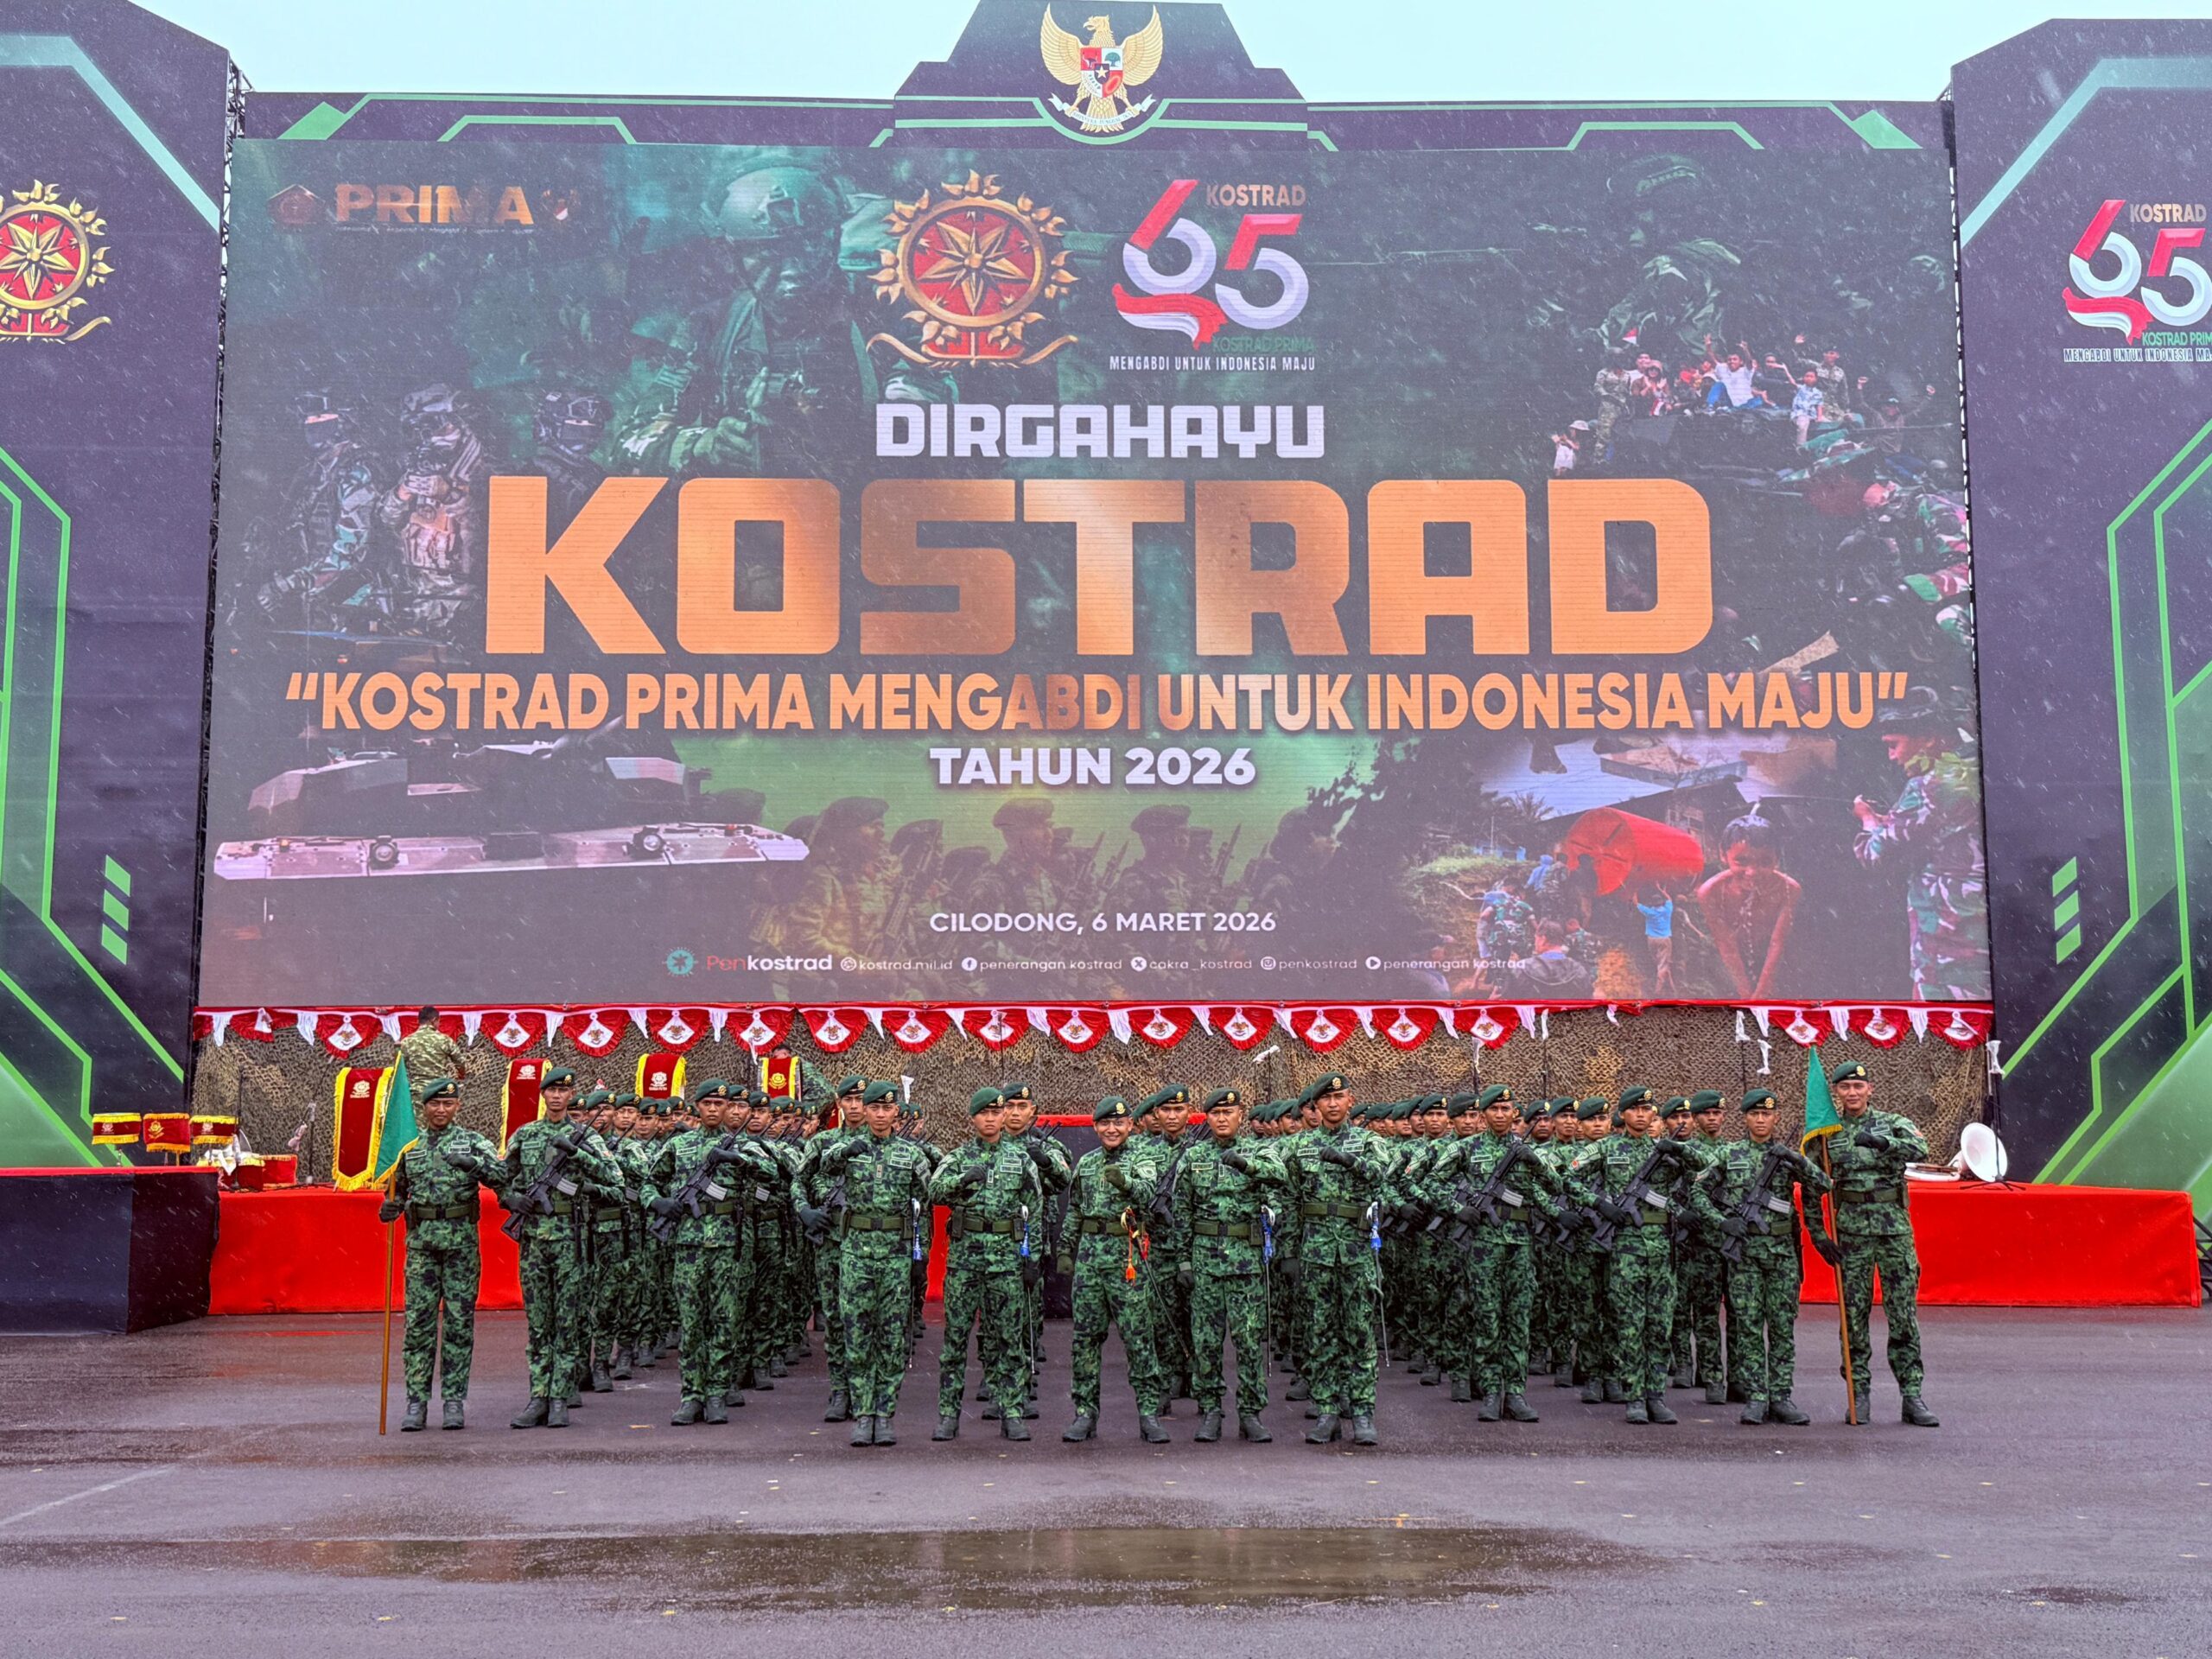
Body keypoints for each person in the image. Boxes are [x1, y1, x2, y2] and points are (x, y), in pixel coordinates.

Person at [1428, 1084, 1564, 1422]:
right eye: (1494, 1110)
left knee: (1518, 1320)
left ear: (1514, 1113)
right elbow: (1431, 1182)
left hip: (1520, 1245)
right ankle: (1491, 1392)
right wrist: (1458, 1209)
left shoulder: (1526, 1150)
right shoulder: (1466, 1148)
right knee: (1487, 1318)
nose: (1500, 1115)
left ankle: (1515, 1393)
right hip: (1484, 1246)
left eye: (1506, 1109)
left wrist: (1534, 1162)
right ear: (1484, 1114)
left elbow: (1555, 1187)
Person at [377, 1077, 505, 1431]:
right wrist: (389, 1207)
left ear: (458, 1106)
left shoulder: (473, 1142)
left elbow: (502, 1176)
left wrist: (473, 1165)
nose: (441, 1110)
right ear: (424, 1107)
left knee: (459, 1324)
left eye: (448, 1103)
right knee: (418, 1325)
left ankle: (453, 1400)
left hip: (461, 1246)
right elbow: (397, 1189)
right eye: (435, 1103)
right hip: (422, 1248)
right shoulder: (409, 1146)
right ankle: (416, 1402)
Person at [1815, 1061, 1939, 1427]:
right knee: (1853, 1317)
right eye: (1845, 1087)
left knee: (1903, 1315)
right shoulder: (1827, 1134)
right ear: (1837, 1093)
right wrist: (1817, 1233)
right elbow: (1810, 1182)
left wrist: (1885, 1144)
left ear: (1870, 1089)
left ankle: (1912, 1395)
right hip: (1851, 1235)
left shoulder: (1893, 1123)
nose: (1852, 1093)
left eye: (1858, 1086)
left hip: (1893, 1232)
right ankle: (1859, 1393)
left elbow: (1920, 1148)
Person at [501, 1068, 622, 1427]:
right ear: (543, 1095)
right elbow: (502, 1176)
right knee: (539, 1323)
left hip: (571, 1239)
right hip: (534, 1241)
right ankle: (538, 1396)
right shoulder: (526, 1135)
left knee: (568, 1322)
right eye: (551, 1091)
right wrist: (510, 1199)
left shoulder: (585, 1136)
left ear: (571, 1097)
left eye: (563, 1092)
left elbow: (614, 1180)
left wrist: (578, 1155)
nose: (556, 1097)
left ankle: (560, 1397)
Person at [817, 1081, 936, 1446]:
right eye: (874, 1108)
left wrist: (920, 1255)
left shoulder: (911, 1155)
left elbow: (925, 1205)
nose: (881, 1114)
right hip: (856, 1252)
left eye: (887, 1108)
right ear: (865, 1111)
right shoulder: (846, 1150)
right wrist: (845, 1151)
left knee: (891, 1335)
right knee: (857, 1332)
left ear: (896, 1112)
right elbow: (820, 1171)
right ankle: (863, 1412)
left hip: (896, 1254)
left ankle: (884, 1414)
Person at [651, 1081, 776, 1425]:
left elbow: (772, 1173)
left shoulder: (744, 1144)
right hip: (689, 1246)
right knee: (691, 1324)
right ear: (697, 1106)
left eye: (719, 1104)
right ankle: (692, 1396)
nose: (713, 1109)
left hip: (727, 1246)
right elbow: (650, 1181)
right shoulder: (679, 1145)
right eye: (707, 1103)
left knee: (725, 1321)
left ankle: (718, 1392)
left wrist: (737, 1159)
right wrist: (658, 1202)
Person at [929, 1088, 1046, 1440]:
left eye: (997, 1113)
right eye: (985, 1113)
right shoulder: (958, 1157)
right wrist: (962, 1181)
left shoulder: (1020, 1159)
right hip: (965, 1262)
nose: (991, 1119)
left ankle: (1012, 1411)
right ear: (973, 1119)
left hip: (1006, 1261)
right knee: (955, 1339)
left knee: (1009, 1339)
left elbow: (1034, 1209)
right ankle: (948, 1414)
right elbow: (934, 1192)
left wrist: (1032, 1258)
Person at [1175, 1086, 1288, 1443]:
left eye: (1229, 1112)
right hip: (1206, 1261)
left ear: (1241, 1114)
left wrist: (1246, 1165)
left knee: (1249, 1340)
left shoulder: (1258, 1150)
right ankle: (1210, 1410)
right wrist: (1183, 1261)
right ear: (1206, 1117)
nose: (1222, 1119)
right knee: (1206, 1341)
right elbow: (1181, 1212)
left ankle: (1250, 1413)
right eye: (1216, 1113)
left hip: (1246, 1262)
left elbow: (1279, 1176)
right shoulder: (1193, 1156)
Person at [1283, 1072, 1391, 1446]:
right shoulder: (1300, 1146)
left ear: (1350, 1101)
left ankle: (1362, 1412)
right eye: (1325, 1099)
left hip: (1357, 1251)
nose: (1332, 1104)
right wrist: (1289, 1251)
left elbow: (1381, 1176)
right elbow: (1288, 1199)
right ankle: (1327, 1410)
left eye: (1339, 1097)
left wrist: (1349, 1161)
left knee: (1359, 1333)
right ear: (1315, 1106)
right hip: (1316, 1253)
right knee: (1320, 1332)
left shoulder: (1369, 1142)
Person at [1712, 1088, 1829, 1426]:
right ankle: (1756, 1398)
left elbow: (1824, 1184)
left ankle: (1781, 1397)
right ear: (1745, 1118)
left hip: (1781, 1256)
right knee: (1748, 1327)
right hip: (1745, 1255)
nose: (1761, 1120)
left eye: (1767, 1114)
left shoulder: (1786, 1157)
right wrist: (1722, 1221)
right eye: (1755, 1114)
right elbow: (1698, 1191)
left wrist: (1796, 1159)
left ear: (1776, 1117)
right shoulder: (1729, 1154)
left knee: (1781, 1328)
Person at [1061, 1095, 1169, 1443]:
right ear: (1095, 1127)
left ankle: (1149, 1413)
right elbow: (1075, 1209)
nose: (1112, 1129)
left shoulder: (1143, 1158)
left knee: (1138, 1338)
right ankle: (1085, 1413)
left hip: (1127, 1258)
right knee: (1085, 1339)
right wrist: (1065, 1249)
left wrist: (1126, 1183)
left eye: (1119, 1123)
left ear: (1130, 1125)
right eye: (1105, 1123)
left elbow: (1149, 1193)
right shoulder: (1087, 1162)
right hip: (1090, 1259)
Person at [792, 1076, 868, 1421]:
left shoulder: (883, 1145)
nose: (854, 1106)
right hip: (832, 1243)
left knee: (867, 1320)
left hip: (870, 1245)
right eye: (848, 1100)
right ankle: (840, 1390)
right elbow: (799, 1181)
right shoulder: (823, 1142)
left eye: (860, 1100)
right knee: (836, 1319)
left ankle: (865, 1391)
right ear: (839, 1103)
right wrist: (804, 1211)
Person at [1000, 1082, 1071, 1413]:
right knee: (995, 1315)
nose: (1015, 1113)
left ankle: (1024, 1379)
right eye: (1009, 1106)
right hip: (993, 1243)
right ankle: (995, 1377)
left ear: (1033, 1112)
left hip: (1032, 1238)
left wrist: (1044, 1161)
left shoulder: (1047, 1145)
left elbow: (1063, 1180)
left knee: (1028, 1309)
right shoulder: (990, 1145)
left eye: (1022, 1107)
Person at [396, 1007, 465, 1107]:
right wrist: (461, 1075)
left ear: (419, 1021)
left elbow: (399, 1068)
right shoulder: (445, 1040)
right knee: (440, 1116)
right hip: (439, 1092)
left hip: (418, 1093)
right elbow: (461, 1063)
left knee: (418, 1117)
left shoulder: (407, 1042)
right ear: (434, 1020)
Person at [1634, 887, 1675, 995]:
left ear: (1652, 903)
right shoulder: (1667, 910)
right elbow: (1669, 899)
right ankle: (1658, 990)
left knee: (1659, 962)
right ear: (1661, 903)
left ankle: (1671, 987)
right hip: (1665, 939)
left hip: (1652, 939)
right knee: (1663, 964)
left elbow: (1636, 903)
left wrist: (1634, 890)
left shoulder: (1650, 912)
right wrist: (1661, 890)